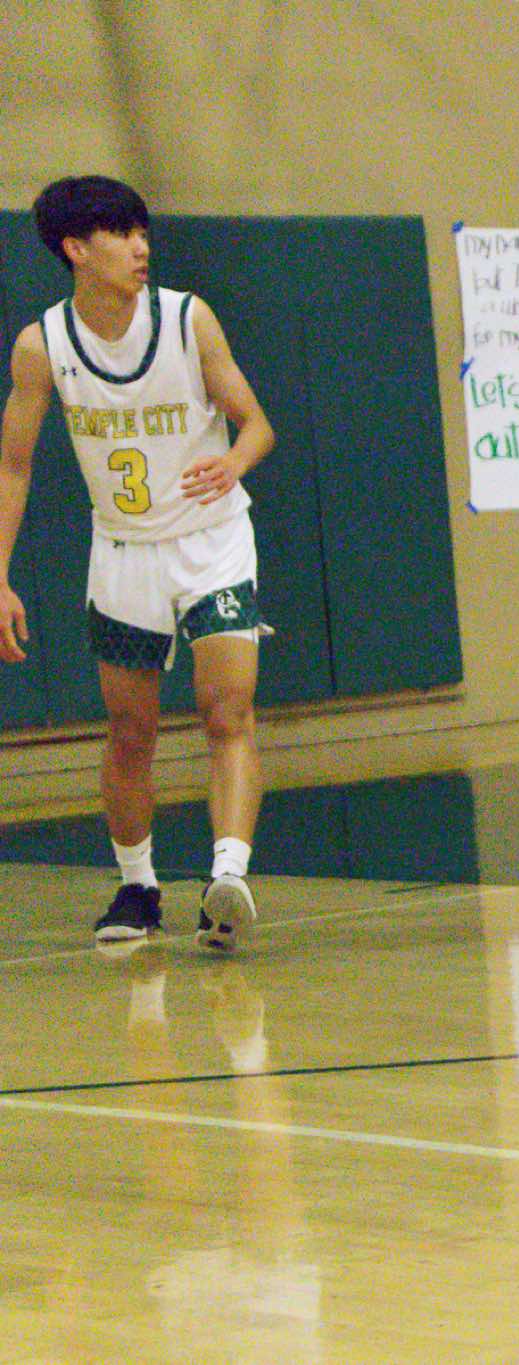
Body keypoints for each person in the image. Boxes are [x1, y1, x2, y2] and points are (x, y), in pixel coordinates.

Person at [0, 176, 274, 950]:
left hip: (213, 540)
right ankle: (137, 885)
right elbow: (13, 465)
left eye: (142, 231)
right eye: (121, 234)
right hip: (123, 549)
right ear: (76, 249)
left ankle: (228, 880)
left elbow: (255, 424)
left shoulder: (188, 319)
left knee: (227, 710)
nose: (141, 246)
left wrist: (234, 463)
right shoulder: (42, 346)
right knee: (130, 731)